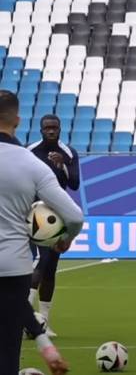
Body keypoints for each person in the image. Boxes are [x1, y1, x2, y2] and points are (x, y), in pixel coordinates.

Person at [0, 90, 83, 374]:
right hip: (14, 264)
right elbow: (74, 217)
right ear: (18, 120)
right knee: (7, 352)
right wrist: (64, 239)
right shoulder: (32, 163)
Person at [27, 114, 80, 337]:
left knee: (50, 269)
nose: (51, 131)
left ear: (60, 129)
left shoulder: (68, 153)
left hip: (57, 216)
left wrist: (63, 165)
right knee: (41, 260)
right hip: (34, 213)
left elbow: (74, 184)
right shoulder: (30, 151)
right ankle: (24, 317)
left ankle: (43, 321)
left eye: (54, 127)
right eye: (47, 127)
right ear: (41, 130)